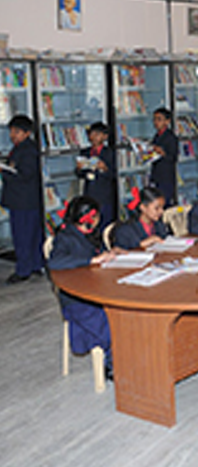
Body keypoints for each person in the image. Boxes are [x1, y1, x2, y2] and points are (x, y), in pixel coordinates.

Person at [48, 196, 122, 380]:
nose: (98, 220)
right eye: (96, 216)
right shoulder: (66, 237)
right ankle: (112, 364)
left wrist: (110, 253)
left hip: (97, 289)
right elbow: (55, 262)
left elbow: (99, 253)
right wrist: (91, 260)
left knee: (125, 312)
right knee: (110, 324)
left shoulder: (91, 233)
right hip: (76, 299)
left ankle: (124, 353)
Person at [1, 115, 43, 284]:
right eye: (11, 131)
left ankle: (23, 270)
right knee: (32, 235)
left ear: (27, 133)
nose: (13, 135)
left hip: (23, 201)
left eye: (17, 132)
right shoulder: (23, 148)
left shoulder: (28, 150)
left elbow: (24, 175)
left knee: (22, 237)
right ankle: (35, 265)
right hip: (28, 200)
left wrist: (4, 172)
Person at [76, 122, 116, 229]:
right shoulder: (85, 152)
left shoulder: (110, 153)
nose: (93, 137)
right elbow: (79, 175)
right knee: (90, 224)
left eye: (97, 134)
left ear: (105, 136)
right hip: (89, 193)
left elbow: (114, 175)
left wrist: (104, 168)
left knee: (105, 224)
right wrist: (79, 168)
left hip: (104, 195)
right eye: (91, 134)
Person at [150, 108, 178, 207]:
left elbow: (173, 158)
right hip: (156, 175)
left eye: (159, 119)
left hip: (166, 177)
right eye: (154, 119)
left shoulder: (171, 137)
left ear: (167, 121)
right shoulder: (156, 136)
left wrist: (162, 153)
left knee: (165, 204)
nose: (156, 122)